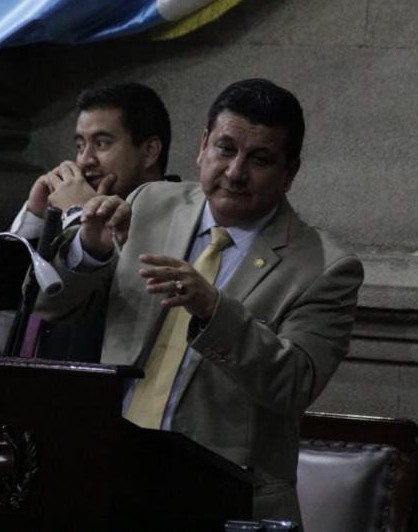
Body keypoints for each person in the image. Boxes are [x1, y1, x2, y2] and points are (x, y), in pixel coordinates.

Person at [36, 78, 363, 521]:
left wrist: (213, 309)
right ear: (203, 146)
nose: (234, 172)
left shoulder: (326, 266)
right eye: (226, 149)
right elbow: (57, 305)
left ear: (290, 173)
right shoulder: (150, 202)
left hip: (222, 501)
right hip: (112, 479)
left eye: (260, 159)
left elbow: (293, 383)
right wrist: (89, 251)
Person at [0, 82, 172, 361]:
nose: (84, 161)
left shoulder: (175, 216)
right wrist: (35, 214)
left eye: (102, 143)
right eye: (81, 145)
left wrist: (78, 212)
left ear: (150, 151)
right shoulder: (70, 206)